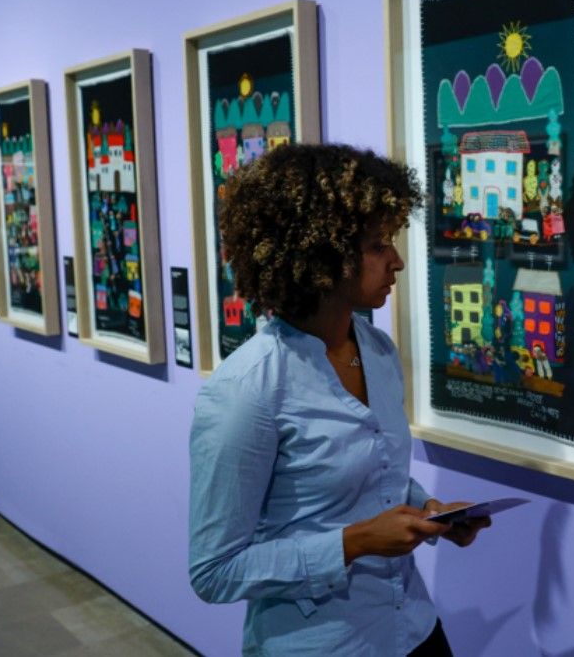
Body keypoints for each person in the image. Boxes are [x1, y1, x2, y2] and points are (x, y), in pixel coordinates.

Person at [189, 143, 489, 656]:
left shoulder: (378, 351)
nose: (396, 261)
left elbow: (375, 477)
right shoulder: (247, 391)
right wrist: (354, 542)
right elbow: (214, 571)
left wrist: (428, 509)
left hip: (413, 629)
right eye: (377, 245)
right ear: (320, 255)